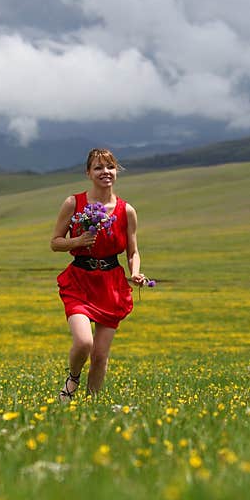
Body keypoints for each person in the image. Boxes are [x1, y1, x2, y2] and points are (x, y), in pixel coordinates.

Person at [50, 148, 148, 402]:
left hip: (111, 284)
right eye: (98, 167)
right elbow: (55, 242)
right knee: (84, 343)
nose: (105, 172)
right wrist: (79, 241)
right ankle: (72, 379)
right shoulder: (74, 203)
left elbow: (132, 251)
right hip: (80, 280)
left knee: (101, 355)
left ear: (117, 171)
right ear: (88, 173)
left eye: (110, 167)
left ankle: (91, 406)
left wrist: (135, 273)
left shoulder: (127, 211)